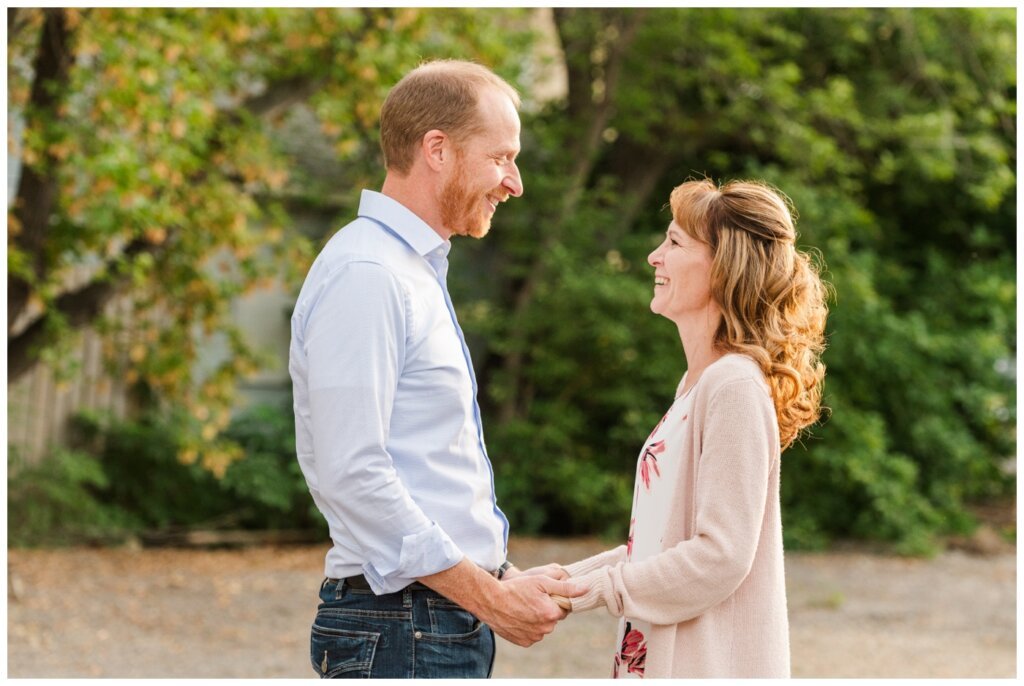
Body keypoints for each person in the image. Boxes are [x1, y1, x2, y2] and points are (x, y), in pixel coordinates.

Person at [288, 60, 585, 679]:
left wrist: (499, 577)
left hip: (424, 620)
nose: (515, 182)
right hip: (400, 627)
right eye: (501, 157)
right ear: (438, 150)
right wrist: (490, 598)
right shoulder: (368, 274)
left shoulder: (409, 270)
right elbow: (353, 472)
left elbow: (425, 471)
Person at [550, 178, 828, 678]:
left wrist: (598, 590)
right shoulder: (697, 385)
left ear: (725, 267)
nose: (654, 257)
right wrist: (564, 580)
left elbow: (718, 556)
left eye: (674, 242)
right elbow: (661, 542)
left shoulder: (734, 386)